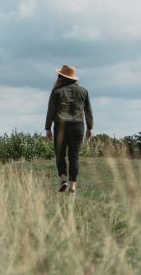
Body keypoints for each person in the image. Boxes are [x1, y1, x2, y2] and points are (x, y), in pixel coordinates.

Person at [45, 65, 93, 193]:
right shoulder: (83, 91)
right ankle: (73, 185)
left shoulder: (56, 92)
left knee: (60, 155)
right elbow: (88, 111)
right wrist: (89, 128)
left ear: (61, 77)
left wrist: (48, 128)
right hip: (78, 127)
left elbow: (51, 111)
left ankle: (63, 179)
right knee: (74, 157)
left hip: (61, 126)